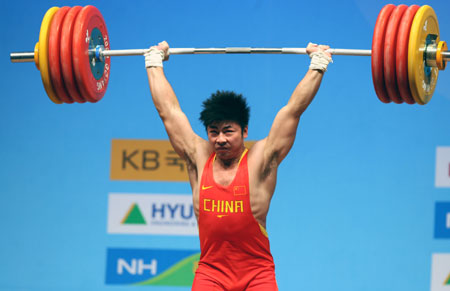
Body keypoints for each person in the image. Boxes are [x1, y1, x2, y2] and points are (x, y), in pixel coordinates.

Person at [145, 41, 332, 291]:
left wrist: (317, 64)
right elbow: (168, 112)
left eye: (228, 131)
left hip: (257, 274)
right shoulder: (198, 156)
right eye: (214, 132)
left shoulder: (260, 160)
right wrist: (154, 62)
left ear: (244, 131)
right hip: (211, 273)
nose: (220, 139)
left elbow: (292, 111)